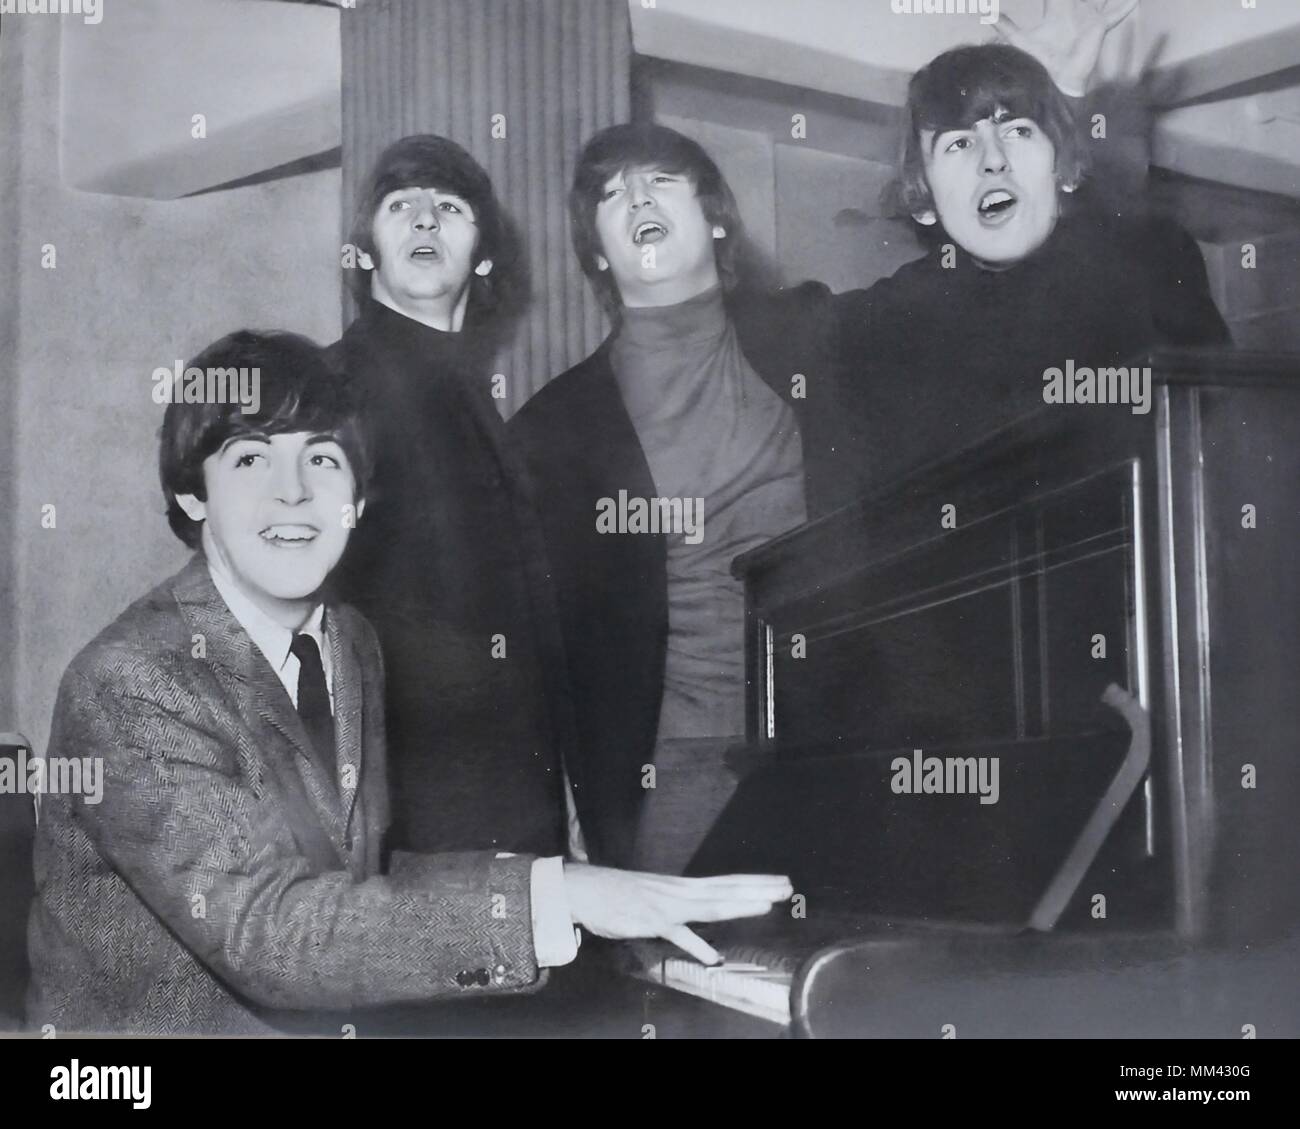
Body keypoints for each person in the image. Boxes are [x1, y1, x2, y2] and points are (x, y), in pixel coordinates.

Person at [26, 329, 791, 1035]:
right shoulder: (132, 682)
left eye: (323, 457)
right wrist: (550, 900)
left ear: (357, 500)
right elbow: (272, 932)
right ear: (193, 495)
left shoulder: (350, 640)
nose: (294, 492)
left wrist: (565, 880)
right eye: (252, 458)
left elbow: (363, 875)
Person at [510, 124, 864, 872]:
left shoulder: (817, 335)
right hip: (676, 771)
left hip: (840, 742)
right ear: (599, 253)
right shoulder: (553, 428)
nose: (636, 193)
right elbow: (538, 653)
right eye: (611, 192)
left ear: (715, 217)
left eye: (661, 178)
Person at [329, 135, 570, 858]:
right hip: (408, 812)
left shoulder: (471, 397)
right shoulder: (330, 388)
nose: (425, 220)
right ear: (365, 249)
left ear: (485, 256)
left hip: (502, 797)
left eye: (450, 206)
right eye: (400, 205)